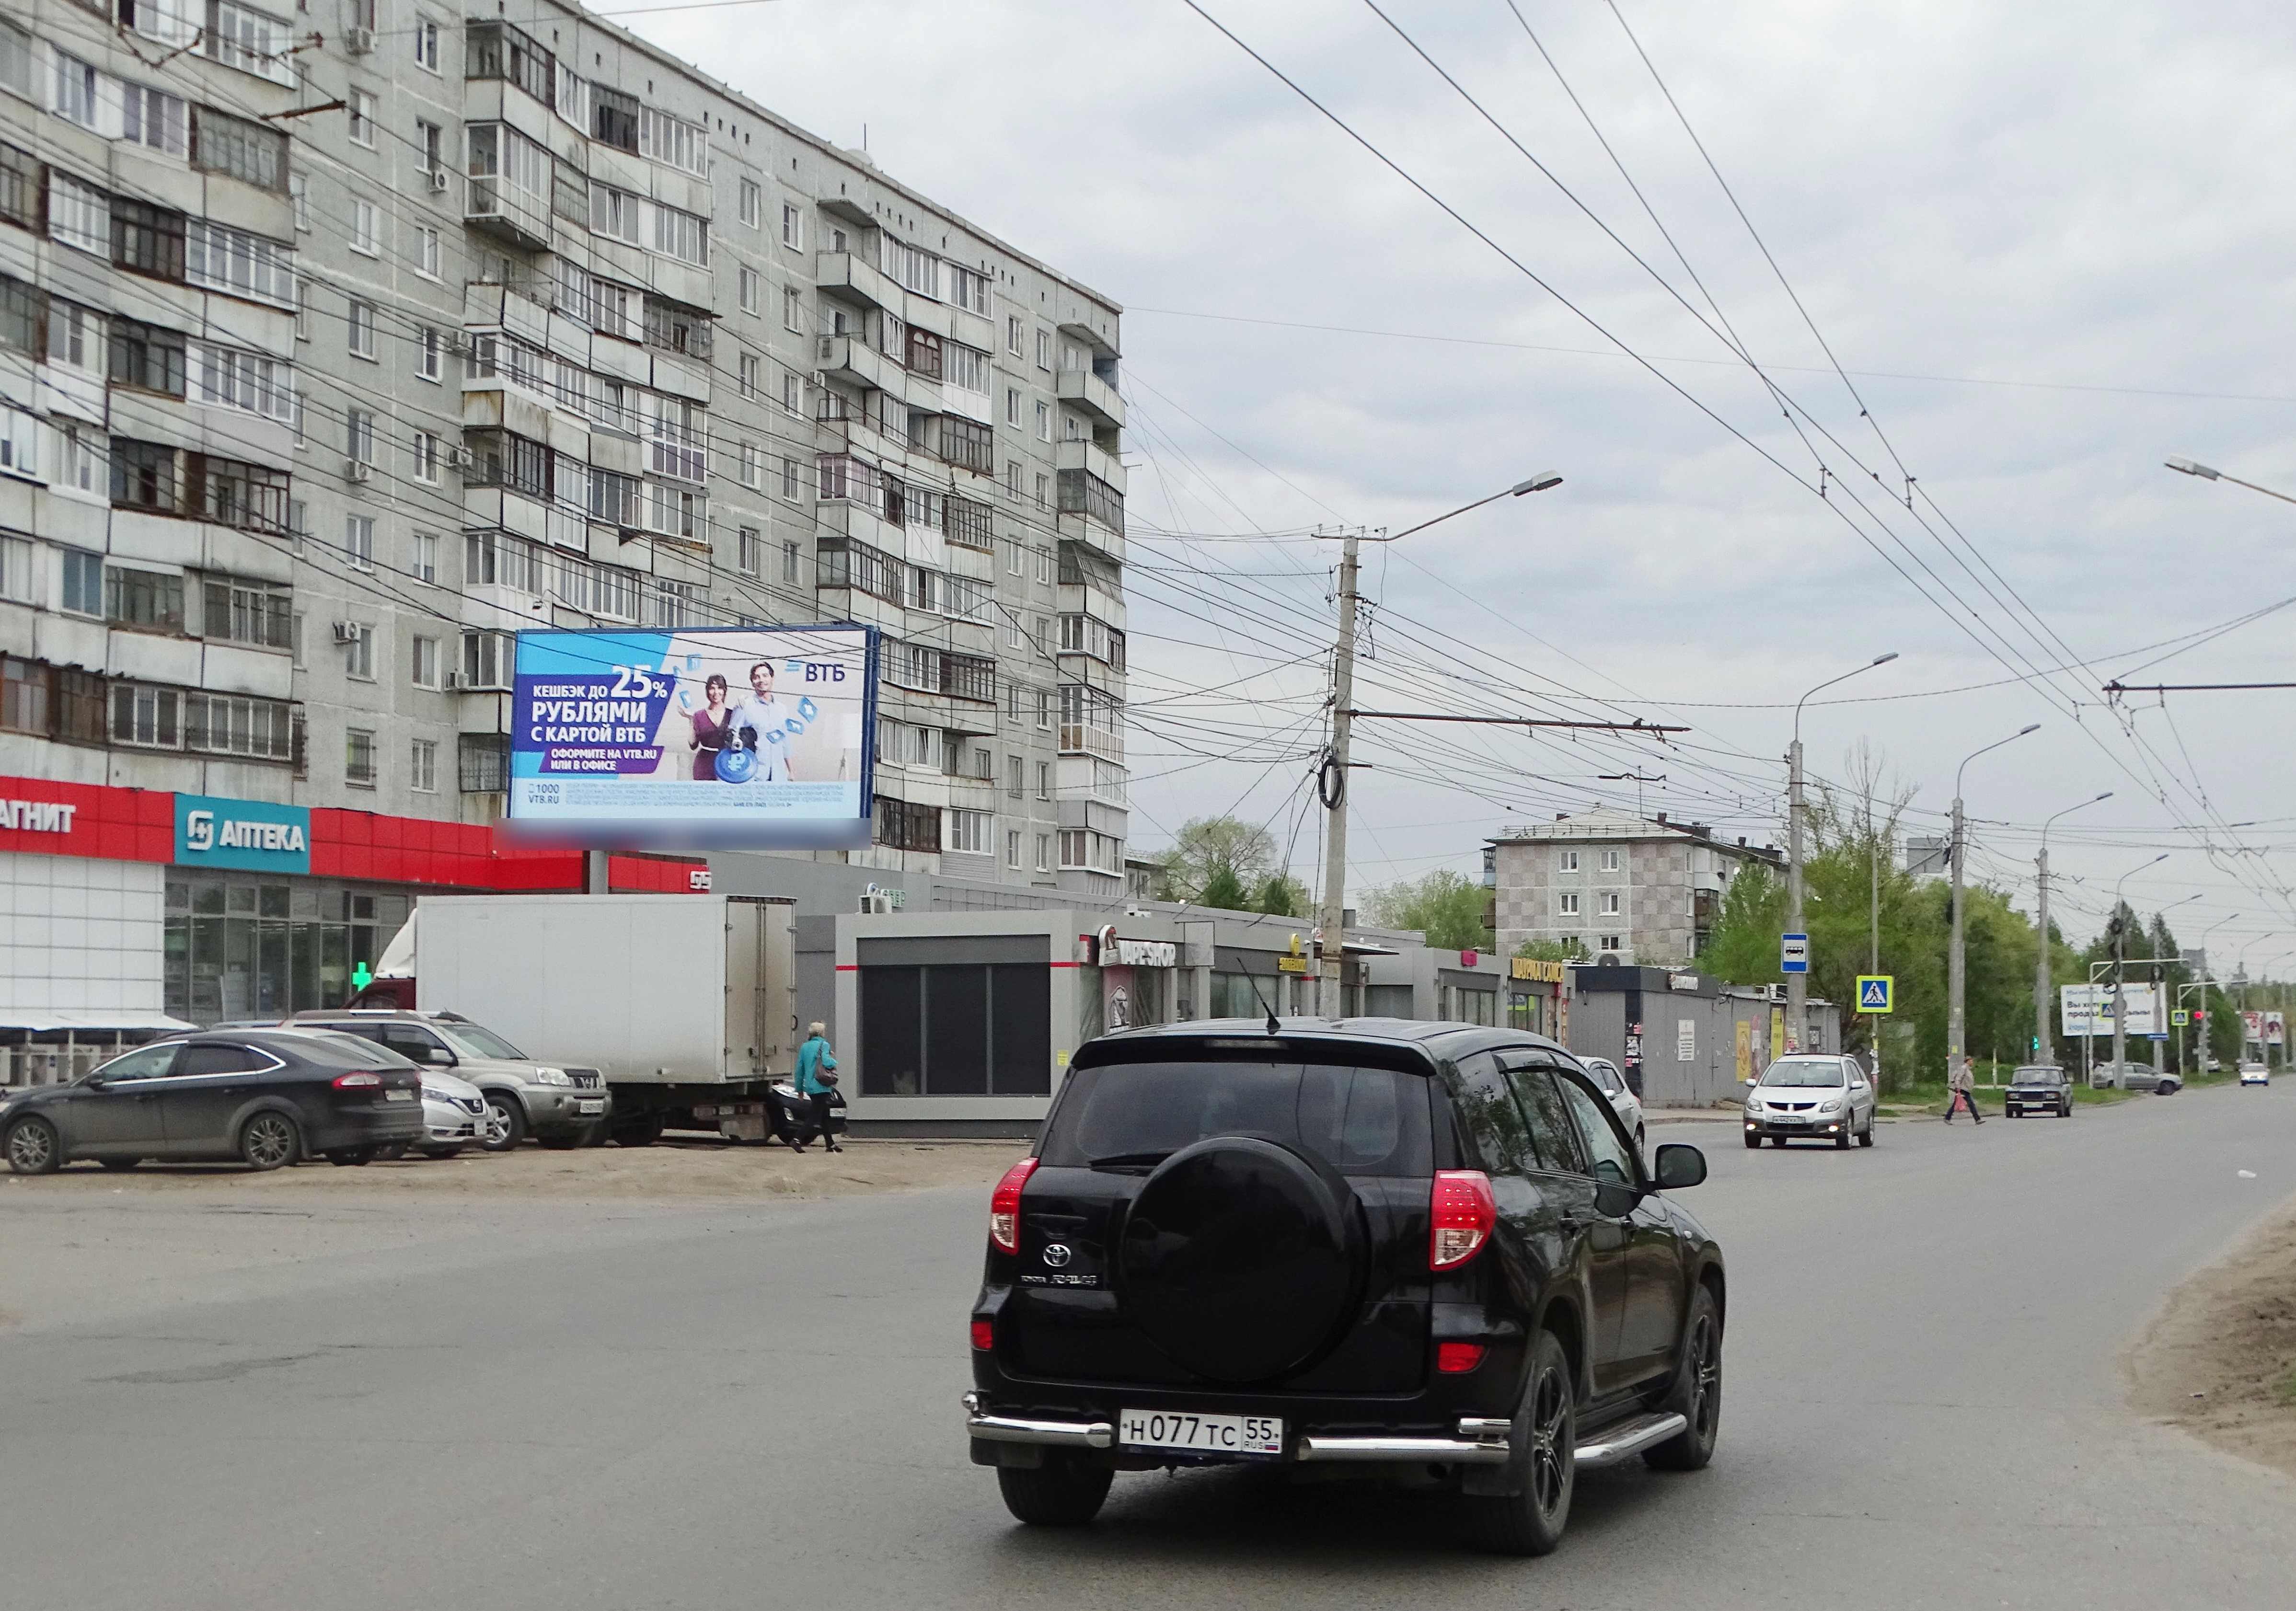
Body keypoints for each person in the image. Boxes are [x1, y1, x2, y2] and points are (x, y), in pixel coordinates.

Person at [726, 661, 798, 782]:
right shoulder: (744, 706)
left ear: (772, 678)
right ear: (752, 682)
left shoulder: (782, 709)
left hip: (778, 775)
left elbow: (785, 742)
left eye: (765, 676)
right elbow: (731, 737)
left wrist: (791, 771)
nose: (761, 680)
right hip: (753, 774)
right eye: (756, 677)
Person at [791, 1021, 841, 1153]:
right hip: (822, 1085)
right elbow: (827, 1062)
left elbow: (799, 1070)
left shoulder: (805, 1047)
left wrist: (799, 1089)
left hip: (811, 1088)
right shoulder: (824, 1045)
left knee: (824, 1115)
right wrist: (832, 1058)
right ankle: (797, 1139)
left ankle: (830, 1144)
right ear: (821, 1033)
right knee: (815, 1116)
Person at [687, 674, 732, 780]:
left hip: (727, 761)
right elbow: (693, 745)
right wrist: (691, 720)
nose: (716, 693)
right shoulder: (699, 715)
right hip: (704, 764)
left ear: (725, 691)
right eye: (712, 689)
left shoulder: (733, 714)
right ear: (707, 691)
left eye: (720, 688)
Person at [1945, 1056, 1985, 1125]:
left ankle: (1947, 1118)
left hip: (1965, 1089)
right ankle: (1977, 1119)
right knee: (1971, 1104)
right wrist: (1958, 1088)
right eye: (1971, 1061)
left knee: (1956, 1104)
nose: (1972, 1062)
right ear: (1968, 1061)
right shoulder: (1964, 1068)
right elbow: (1959, 1078)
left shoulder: (1968, 1069)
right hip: (1963, 1089)